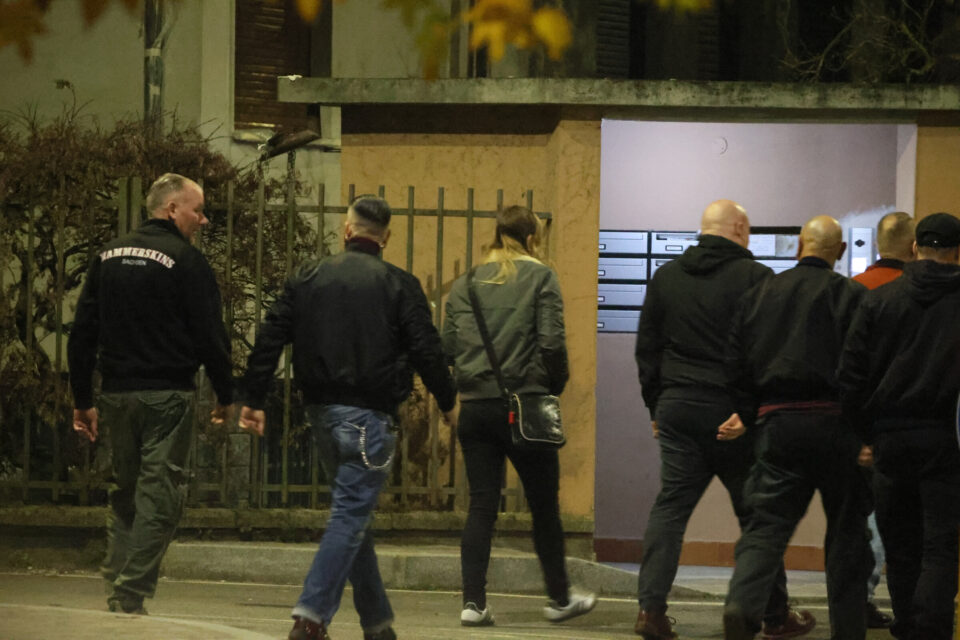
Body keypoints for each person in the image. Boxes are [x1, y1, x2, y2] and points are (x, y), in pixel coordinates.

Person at [239, 196, 459, 640]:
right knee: (350, 514)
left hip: (321, 412)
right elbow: (426, 349)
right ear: (386, 237)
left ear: (346, 230)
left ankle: (378, 625)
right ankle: (311, 616)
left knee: (353, 514)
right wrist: (449, 400)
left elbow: (270, 334)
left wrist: (254, 397)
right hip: (371, 417)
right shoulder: (400, 284)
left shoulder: (308, 276)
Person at [633, 200, 811, 640]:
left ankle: (650, 612)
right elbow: (766, 351)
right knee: (757, 517)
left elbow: (647, 349)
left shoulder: (666, 276)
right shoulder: (756, 278)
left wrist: (656, 407)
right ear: (739, 228)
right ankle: (774, 616)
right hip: (731, 413)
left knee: (670, 509)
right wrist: (749, 413)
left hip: (677, 408)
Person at [68, 173, 234, 614]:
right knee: (161, 495)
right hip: (167, 395)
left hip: (116, 395)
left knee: (125, 491)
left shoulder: (108, 255)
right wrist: (225, 392)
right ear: (172, 208)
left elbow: (82, 333)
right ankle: (129, 590)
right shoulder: (187, 261)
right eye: (198, 210)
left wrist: (83, 400)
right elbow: (210, 335)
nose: (202, 220)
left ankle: (118, 582)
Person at [442, 205, 596, 627]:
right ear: (531, 239)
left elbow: (448, 347)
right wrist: (551, 387)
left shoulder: (465, 284)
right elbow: (552, 344)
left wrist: (471, 380)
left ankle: (473, 603)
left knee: (481, 505)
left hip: (476, 408)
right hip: (526, 405)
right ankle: (560, 598)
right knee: (544, 507)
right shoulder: (542, 277)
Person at [721, 215, 872, 640]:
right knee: (847, 534)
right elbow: (866, 369)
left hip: (779, 424)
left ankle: (742, 604)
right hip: (838, 426)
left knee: (766, 528)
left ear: (800, 244)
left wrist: (753, 415)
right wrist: (864, 431)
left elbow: (735, 365)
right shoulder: (853, 297)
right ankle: (849, 629)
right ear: (841, 251)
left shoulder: (759, 294)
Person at [837, 212, 960, 640]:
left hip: (889, 438)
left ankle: (906, 624)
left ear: (914, 248)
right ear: (957, 252)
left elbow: (850, 377)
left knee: (901, 544)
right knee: (940, 546)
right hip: (947, 438)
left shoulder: (879, 300)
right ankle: (932, 630)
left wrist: (864, 434)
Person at [850, 210, 915, 630]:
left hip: (862, 424)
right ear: (914, 247)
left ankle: (855, 602)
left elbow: (847, 366)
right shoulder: (916, 294)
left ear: (876, 244)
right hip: (908, 423)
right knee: (904, 524)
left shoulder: (854, 289)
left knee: (861, 518)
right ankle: (909, 611)